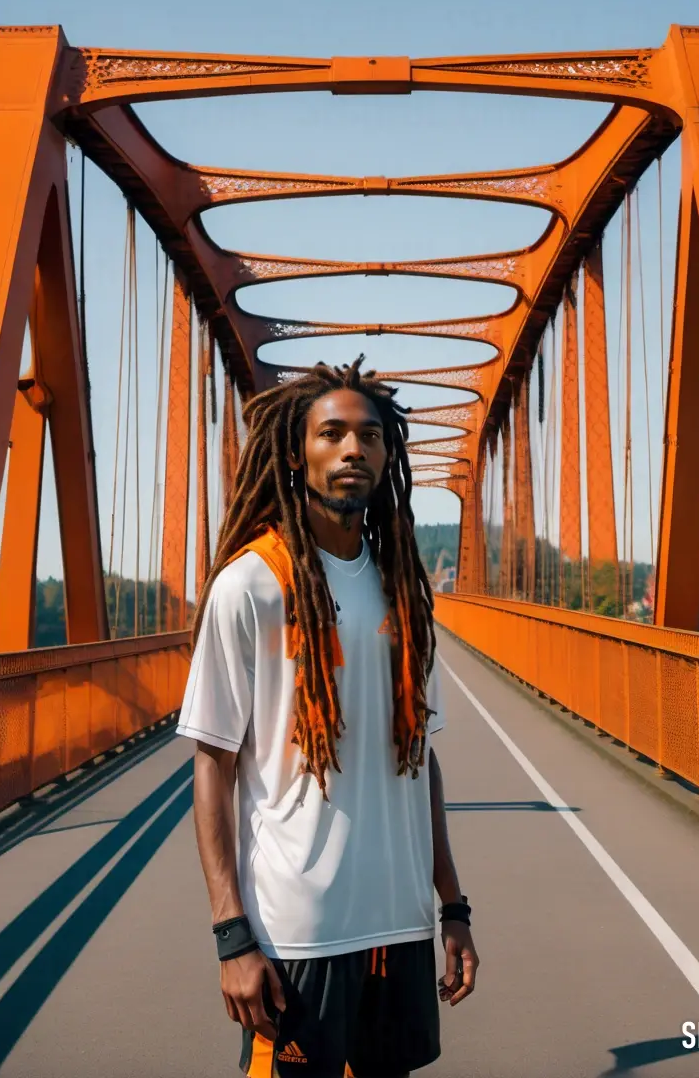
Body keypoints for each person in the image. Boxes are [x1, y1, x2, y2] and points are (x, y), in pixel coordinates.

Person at [177, 357, 478, 1077]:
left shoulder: (403, 589)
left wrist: (453, 907)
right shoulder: (251, 585)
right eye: (332, 434)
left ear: (387, 455)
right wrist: (231, 935)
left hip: (398, 930)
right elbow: (212, 764)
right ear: (294, 451)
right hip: (297, 936)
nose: (353, 450)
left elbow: (419, 760)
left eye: (370, 437)